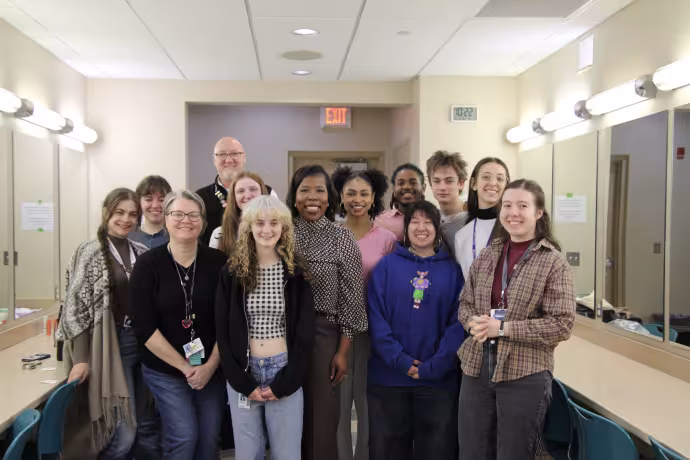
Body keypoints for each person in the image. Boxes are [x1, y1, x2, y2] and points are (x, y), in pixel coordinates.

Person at [458, 179, 576, 460]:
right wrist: (473, 322)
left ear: (538, 213)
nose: (513, 212)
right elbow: (464, 303)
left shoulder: (553, 262)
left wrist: (503, 328)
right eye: (508, 205)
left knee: (514, 453)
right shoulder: (487, 255)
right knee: (472, 451)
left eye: (523, 206)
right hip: (477, 367)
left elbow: (561, 324)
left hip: (524, 371)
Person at [58, 188, 158, 460]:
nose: (126, 219)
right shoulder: (90, 252)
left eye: (132, 214)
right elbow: (74, 307)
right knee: (122, 432)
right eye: (119, 212)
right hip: (110, 346)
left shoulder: (141, 250)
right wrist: (81, 358)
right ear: (106, 213)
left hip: (144, 344)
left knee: (146, 425)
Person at [129, 190, 227, 460]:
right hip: (165, 369)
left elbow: (229, 322)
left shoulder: (219, 264)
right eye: (178, 214)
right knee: (184, 437)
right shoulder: (148, 265)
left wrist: (209, 367)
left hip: (211, 368)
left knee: (208, 441)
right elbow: (144, 328)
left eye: (194, 214)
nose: (186, 220)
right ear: (166, 219)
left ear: (203, 221)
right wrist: (185, 366)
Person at [215, 195, 315, 460]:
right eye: (259, 223)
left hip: (283, 369)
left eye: (274, 223)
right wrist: (239, 380)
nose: (267, 229)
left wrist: (288, 381)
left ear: (283, 227)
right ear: (248, 227)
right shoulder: (232, 272)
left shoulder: (296, 271)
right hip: (245, 372)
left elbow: (305, 333)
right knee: (248, 454)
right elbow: (222, 333)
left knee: (287, 453)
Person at [367, 200, 465, 460]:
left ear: (437, 227)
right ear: (406, 228)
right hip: (388, 379)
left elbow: (458, 323)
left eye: (428, 222)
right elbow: (376, 319)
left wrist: (434, 366)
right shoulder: (386, 267)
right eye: (414, 221)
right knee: (387, 452)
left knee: (436, 451)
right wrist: (402, 361)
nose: (421, 227)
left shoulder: (453, 271)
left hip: (438, 381)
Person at [287, 165, 368, 460]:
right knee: (286, 419)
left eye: (319, 190)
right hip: (282, 337)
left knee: (321, 420)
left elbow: (352, 301)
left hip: (324, 335)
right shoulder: (282, 234)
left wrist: (342, 352)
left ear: (329, 197)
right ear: (293, 196)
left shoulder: (342, 238)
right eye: (304, 190)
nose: (312, 197)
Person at [332, 167, 397, 460]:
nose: (357, 199)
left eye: (364, 194)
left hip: (374, 332)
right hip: (335, 332)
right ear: (341, 198)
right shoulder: (329, 234)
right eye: (350, 193)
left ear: (373, 199)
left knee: (369, 402)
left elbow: (394, 289)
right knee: (339, 403)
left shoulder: (386, 239)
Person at [196, 137, 276, 245]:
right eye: (222, 154)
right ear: (214, 160)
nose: (228, 160)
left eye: (235, 154)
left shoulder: (267, 192)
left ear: (244, 158)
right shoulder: (199, 198)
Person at [454, 158, 510, 279]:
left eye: (500, 179)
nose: (493, 183)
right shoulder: (461, 236)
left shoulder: (514, 228)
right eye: (486, 177)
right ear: (474, 183)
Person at [208, 171, 267, 250]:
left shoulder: (277, 230)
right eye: (241, 191)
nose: (247, 195)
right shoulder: (219, 234)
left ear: (262, 193)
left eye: (253, 189)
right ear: (234, 197)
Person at [426, 151, 469, 257]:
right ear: (431, 184)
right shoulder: (431, 219)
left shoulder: (472, 219)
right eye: (436, 181)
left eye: (449, 181)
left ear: (461, 184)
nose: (442, 187)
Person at [374, 163, 425, 241]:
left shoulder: (436, 219)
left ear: (423, 188)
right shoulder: (378, 222)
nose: (407, 187)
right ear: (394, 190)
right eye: (401, 183)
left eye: (413, 183)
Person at [130, 175, 173, 249]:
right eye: (149, 199)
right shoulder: (129, 238)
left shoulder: (177, 237)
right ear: (138, 202)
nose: (155, 205)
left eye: (162, 200)